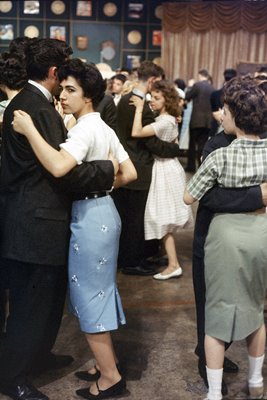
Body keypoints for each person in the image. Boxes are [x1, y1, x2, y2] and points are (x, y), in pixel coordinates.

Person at [13, 58, 137, 400]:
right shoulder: (102, 127)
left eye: (71, 90)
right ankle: (103, 365)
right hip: (106, 213)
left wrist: (29, 130)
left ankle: (110, 376)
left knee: (89, 297)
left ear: (89, 95)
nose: (63, 96)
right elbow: (129, 174)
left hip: (89, 219)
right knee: (100, 290)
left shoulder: (83, 129)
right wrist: (103, 184)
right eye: (62, 88)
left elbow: (56, 166)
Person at [184, 77, 267, 400]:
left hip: (225, 238)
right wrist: (258, 194)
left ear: (232, 113)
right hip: (261, 233)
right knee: (256, 308)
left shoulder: (221, 154)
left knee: (216, 316)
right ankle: (256, 380)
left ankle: (215, 392)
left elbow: (191, 197)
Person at [112, 61, 181, 276]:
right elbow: (152, 144)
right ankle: (132, 262)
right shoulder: (139, 103)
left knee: (128, 216)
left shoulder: (125, 99)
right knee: (135, 219)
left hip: (125, 161)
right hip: (139, 166)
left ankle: (130, 258)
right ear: (151, 80)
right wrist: (176, 149)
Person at [129, 80, 193, 280]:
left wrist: (139, 109)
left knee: (162, 218)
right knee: (164, 217)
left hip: (165, 170)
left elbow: (136, 132)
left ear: (167, 99)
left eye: (157, 98)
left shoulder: (164, 121)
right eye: (152, 97)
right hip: (169, 167)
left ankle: (173, 265)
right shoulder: (170, 118)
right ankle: (167, 257)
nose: (152, 101)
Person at [185, 69, 214, 172]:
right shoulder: (212, 88)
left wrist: (189, 86)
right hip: (207, 122)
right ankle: (201, 167)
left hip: (196, 120)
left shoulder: (197, 85)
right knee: (203, 145)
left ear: (200, 75)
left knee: (192, 145)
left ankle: (191, 167)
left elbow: (187, 96)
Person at [210, 68, 237, 136]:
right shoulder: (238, 95)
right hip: (233, 129)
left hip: (217, 128)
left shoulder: (215, 94)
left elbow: (214, 112)